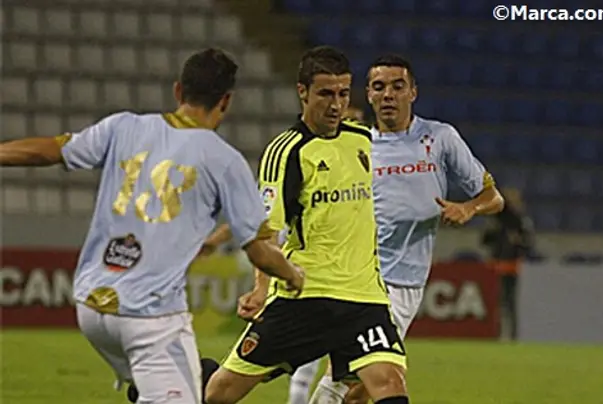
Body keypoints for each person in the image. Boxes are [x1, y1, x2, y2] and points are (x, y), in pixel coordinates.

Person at [0, 47, 304, 404]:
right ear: (225, 101)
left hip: (90, 307)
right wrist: (293, 275)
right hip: (149, 316)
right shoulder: (224, 160)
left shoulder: (123, 126)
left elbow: (50, 150)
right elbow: (258, 250)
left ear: (178, 91)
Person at [203, 46, 411, 404]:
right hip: (305, 297)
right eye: (326, 94)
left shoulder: (363, 140)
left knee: (387, 383)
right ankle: (170, 386)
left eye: (343, 94)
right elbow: (265, 231)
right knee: (219, 394)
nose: (336, 105)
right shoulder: (286, 153)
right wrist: (261, 287)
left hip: (365, 298)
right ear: (303, 92)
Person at [303, 54, 505, 404]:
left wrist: (468, 207)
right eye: (379, 87)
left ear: (413, 92)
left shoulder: (440, 138)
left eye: (398, 86)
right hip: (359, 279)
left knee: (359, 389)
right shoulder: (354, 142)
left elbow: (494, 197)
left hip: (406, 283)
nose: (388, 95)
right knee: (356, 379)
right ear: (367, 94)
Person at [481, 187, 535, 341]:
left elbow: (529, 243)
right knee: (496, 303)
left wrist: (518, 242)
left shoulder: (520, 221)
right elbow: (485, 241)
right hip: (496, 265)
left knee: (509, 303)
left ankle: (512, 335)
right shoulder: (497, 220)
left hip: (511, 265)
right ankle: (496, 334)